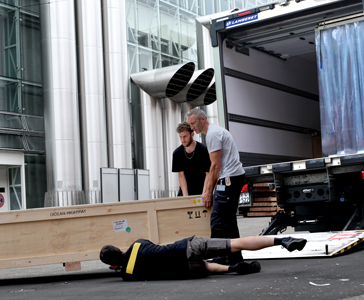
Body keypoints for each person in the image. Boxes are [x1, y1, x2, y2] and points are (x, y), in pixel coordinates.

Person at [100, 235, 308, 281]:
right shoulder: (137, 243)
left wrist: (119, 267)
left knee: (206, 267)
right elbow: (150, 247)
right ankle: (282, 241)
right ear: (119, 247)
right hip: (186, 248)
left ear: (113, 264)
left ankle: (233, 269)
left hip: (186, 271)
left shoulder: (127, 274)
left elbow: (128, 269)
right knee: (233, 244)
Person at [186, 107, 246, 263]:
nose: (192, 127)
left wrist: (208, 192)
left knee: (219, 220)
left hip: (229, 180)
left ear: (202, 119)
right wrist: (206, 190)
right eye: (190, 124)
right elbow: (212, 167)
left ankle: (221, 257)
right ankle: (234, 257)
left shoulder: (212, 134)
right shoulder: (215, 132)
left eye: (193, 123)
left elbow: (215, 166)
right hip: (232, 178)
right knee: (228, 221)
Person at [171, 121, 211, 196]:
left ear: (192, 134)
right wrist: (186, 197)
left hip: (203, 189)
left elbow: (208, 174)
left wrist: (205, 193)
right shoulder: (177, 153)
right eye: (180, 137)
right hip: (185, 190)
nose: (182, 140)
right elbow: (181, 176)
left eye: (185, 136)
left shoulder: (204, 150)